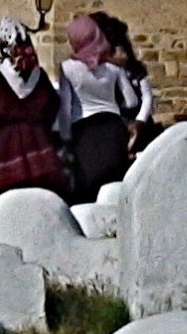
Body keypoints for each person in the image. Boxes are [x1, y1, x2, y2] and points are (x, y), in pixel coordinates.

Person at [0, 18, 64, 228]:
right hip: (38, 143)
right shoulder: (39, 76)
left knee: (5, 198)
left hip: (6, 145)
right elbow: (52, 104)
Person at [57, 14, 138, 204]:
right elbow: (132, 101)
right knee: (114, 189)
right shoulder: (113, 67)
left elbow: (65, 108)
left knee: (87, 191)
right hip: (112, 129)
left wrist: (64, 138)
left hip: (83, 132)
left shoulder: (67, 68)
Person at [90, 11, 159, 153]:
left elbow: (145, 96)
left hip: (138, 123)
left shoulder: (133, 69)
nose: (121, 54)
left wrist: (140, 120)